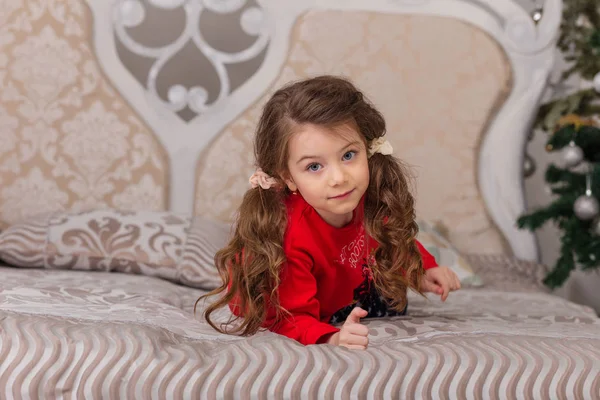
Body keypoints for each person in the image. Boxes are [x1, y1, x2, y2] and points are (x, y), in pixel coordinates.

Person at [199, 75, 461, 349]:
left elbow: (389, 237)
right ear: (288, 178)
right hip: (283, 302)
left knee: (393, 296)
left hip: (344, 290)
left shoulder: (365, 196)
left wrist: (422, 270)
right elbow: (290, 317)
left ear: (367, 149)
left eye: (348, 155)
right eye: (314, 167)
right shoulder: (289, 236)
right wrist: (332, 337)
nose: (339, 178)